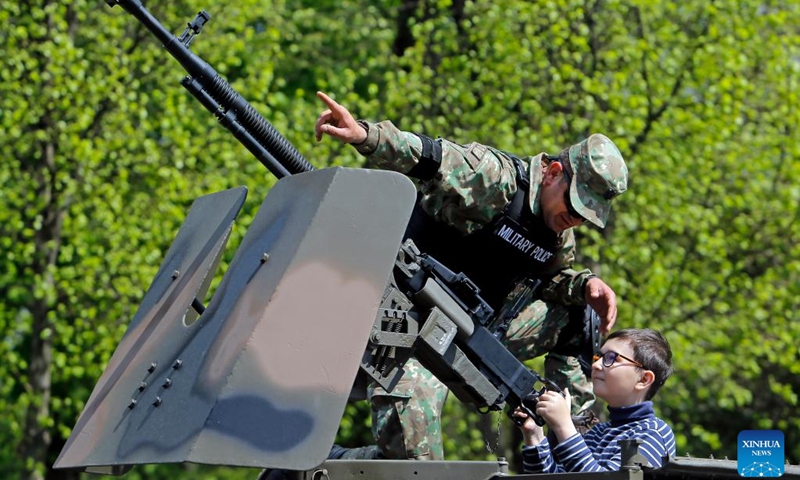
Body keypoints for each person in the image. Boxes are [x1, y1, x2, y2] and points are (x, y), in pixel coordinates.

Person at [314, 91, 628, 460]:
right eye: (574, 206)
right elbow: (430, 157)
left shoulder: (559, 237)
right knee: (416, 463)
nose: (574, 220)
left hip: (473, 333)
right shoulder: (495, 179)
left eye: (584, 217)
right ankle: (317, 468)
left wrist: (584, 285)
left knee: (580, 315)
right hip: (402, 323)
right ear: (553, 173)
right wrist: (367, 136)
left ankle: (573, 448)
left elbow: (549, 283)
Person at [514, 328, 676, 473]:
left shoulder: (653, 433)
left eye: (612, 358)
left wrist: (564, 426)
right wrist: (534, 436)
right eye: (598, 356)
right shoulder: (597, 433)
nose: (596, 365)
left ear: (643, 379)